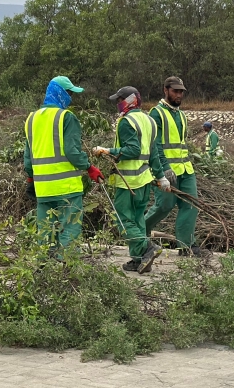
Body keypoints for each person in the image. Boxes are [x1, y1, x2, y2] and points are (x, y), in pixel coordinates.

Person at [93, 86, 168, 273]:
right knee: (138, 220)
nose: (118, 104)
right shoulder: (150, 121)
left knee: (123, 220)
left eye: (120, 100)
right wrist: (161, 177)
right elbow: (153, 154)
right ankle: (139, 260)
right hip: (144, 181)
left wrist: (108, 151)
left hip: (128, 183)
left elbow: (132, 150)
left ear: (130, 100)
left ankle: (146, 248)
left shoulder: (126, 122)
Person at [23, 76, 90, 251]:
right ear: (59, 92)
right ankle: (67, 272)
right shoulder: (66, 117)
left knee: (45, 232)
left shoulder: (32, 119)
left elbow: (28, 160)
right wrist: (89, 167)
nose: (70, 97)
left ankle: (44, 271)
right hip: (67, 188)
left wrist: (31, 180)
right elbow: (73, 152)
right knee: (70, 229)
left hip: (43, 188)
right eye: (68, 92)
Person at [144, 76, 201, 256]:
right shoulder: (156, 113)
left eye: (181, 92)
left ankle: (186, 246)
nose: (179, 95)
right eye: (175, 91)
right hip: (166, 171)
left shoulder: (181, 115)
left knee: (191, 204)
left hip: (185, 170)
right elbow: (156, 145)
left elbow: (181, 144)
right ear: (166, 90)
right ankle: (139, 232)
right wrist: (164, 168)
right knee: (164, 206)